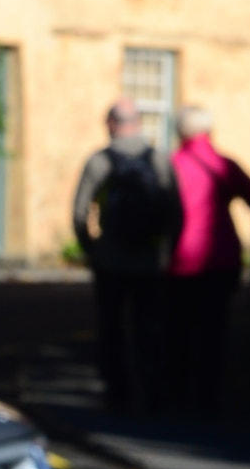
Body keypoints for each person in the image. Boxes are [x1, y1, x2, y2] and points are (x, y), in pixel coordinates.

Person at [168, 105, 250, 416]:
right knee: (213, 332)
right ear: (209, 132)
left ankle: (176, 396)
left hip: (177, 263)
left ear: (180, 132)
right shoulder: (224, 165)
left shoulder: (170, 166)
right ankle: (207, 400)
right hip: (220, 260)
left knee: (177, 332)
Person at [73, 100, 179, 414]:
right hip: (148, 261)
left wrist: (92, 250)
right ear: (138, 123)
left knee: (111, 328)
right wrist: (166, 251)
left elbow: (80, 213)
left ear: (110, 123)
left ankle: (116, 394)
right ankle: (153, 393)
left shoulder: (99, 161)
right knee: (149, 327)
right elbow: (176, 210)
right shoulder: (158, 159)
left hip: (110, 262)